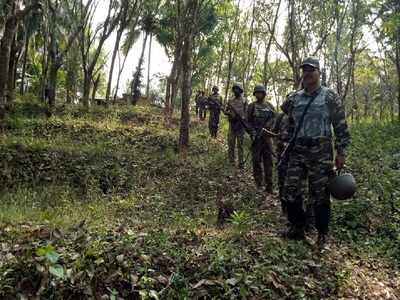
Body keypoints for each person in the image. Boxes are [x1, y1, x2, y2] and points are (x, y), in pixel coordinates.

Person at [283, 57, 351, 246]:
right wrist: (284, 143)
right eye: (304, 70)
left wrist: (341, 151)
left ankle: (322, 234)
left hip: (321, 152)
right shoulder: (294, 98)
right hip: (298, 150)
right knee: (291, 190)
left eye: (311, 70)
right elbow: (288, 124)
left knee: (320, 195)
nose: (307, 73)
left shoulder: (329, 96)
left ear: (319, 72)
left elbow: (340, 126)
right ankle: (298, 227)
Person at [247, 85, 275, 193]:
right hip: (256, 139)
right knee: (256, 161)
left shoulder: (270, 106)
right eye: (256, 93)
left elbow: (274, 119)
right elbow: (247, 122)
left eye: (260, 93)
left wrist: (269, 127)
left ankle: (269, 186)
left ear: (264, 93)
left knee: (268, 162)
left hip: (267, 139)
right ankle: (258, 184)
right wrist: (252, 132)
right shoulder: (251, 106)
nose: (258, 95)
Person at [225, 82, 247, 169]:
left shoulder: (245, 100)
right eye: (234, 89)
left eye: (237, 89)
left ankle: (241, 163)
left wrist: (243, 117)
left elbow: (247, 113)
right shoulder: (230, 100)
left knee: (240, 145)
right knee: (231, 143)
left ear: (240, 90)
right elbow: (226, 111)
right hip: (232, 125)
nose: (236, 90)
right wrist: (229, 113)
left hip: (241, 126)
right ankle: (231, 162)